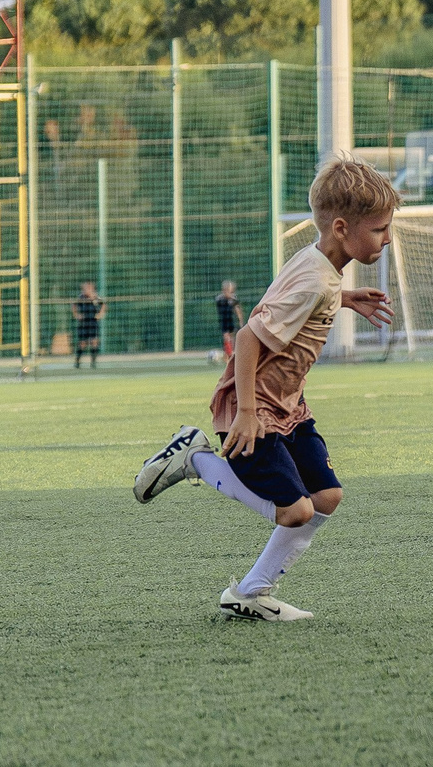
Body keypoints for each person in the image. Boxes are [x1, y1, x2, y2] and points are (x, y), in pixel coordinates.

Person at [129, 157, 398, 621]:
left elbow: (297, 298)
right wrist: (248, 413)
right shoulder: (315, 280)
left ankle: (250, 593)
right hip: (257, 407)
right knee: (293, 511)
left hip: (288, 405)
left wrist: (345, 299)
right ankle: (193, 458)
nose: (387, 238)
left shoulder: (322, 268)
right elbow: (251, 336)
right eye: (379, 229)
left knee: (326, 498)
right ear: (340, 228)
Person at [72, 283, 104, 368]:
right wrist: (77, 315)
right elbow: (74, 305)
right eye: (85, 288)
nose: (86, 290)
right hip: (83, 322)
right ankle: (77, 362)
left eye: (88, 288)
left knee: (94, 342)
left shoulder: (96, 297)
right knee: (82, 343)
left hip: (93, 321)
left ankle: (93, 362)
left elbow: (103, 305)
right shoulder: (81, 297)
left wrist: (100, 314)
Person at [217, 281, 241, 358]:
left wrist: (240, 320)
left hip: (232, 320)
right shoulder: (220, 299)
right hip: (224, 320)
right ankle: (229, 354)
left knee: (232, 337)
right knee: (226, 337)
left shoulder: (234, 299)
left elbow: (237, 310)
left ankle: (231, 353)